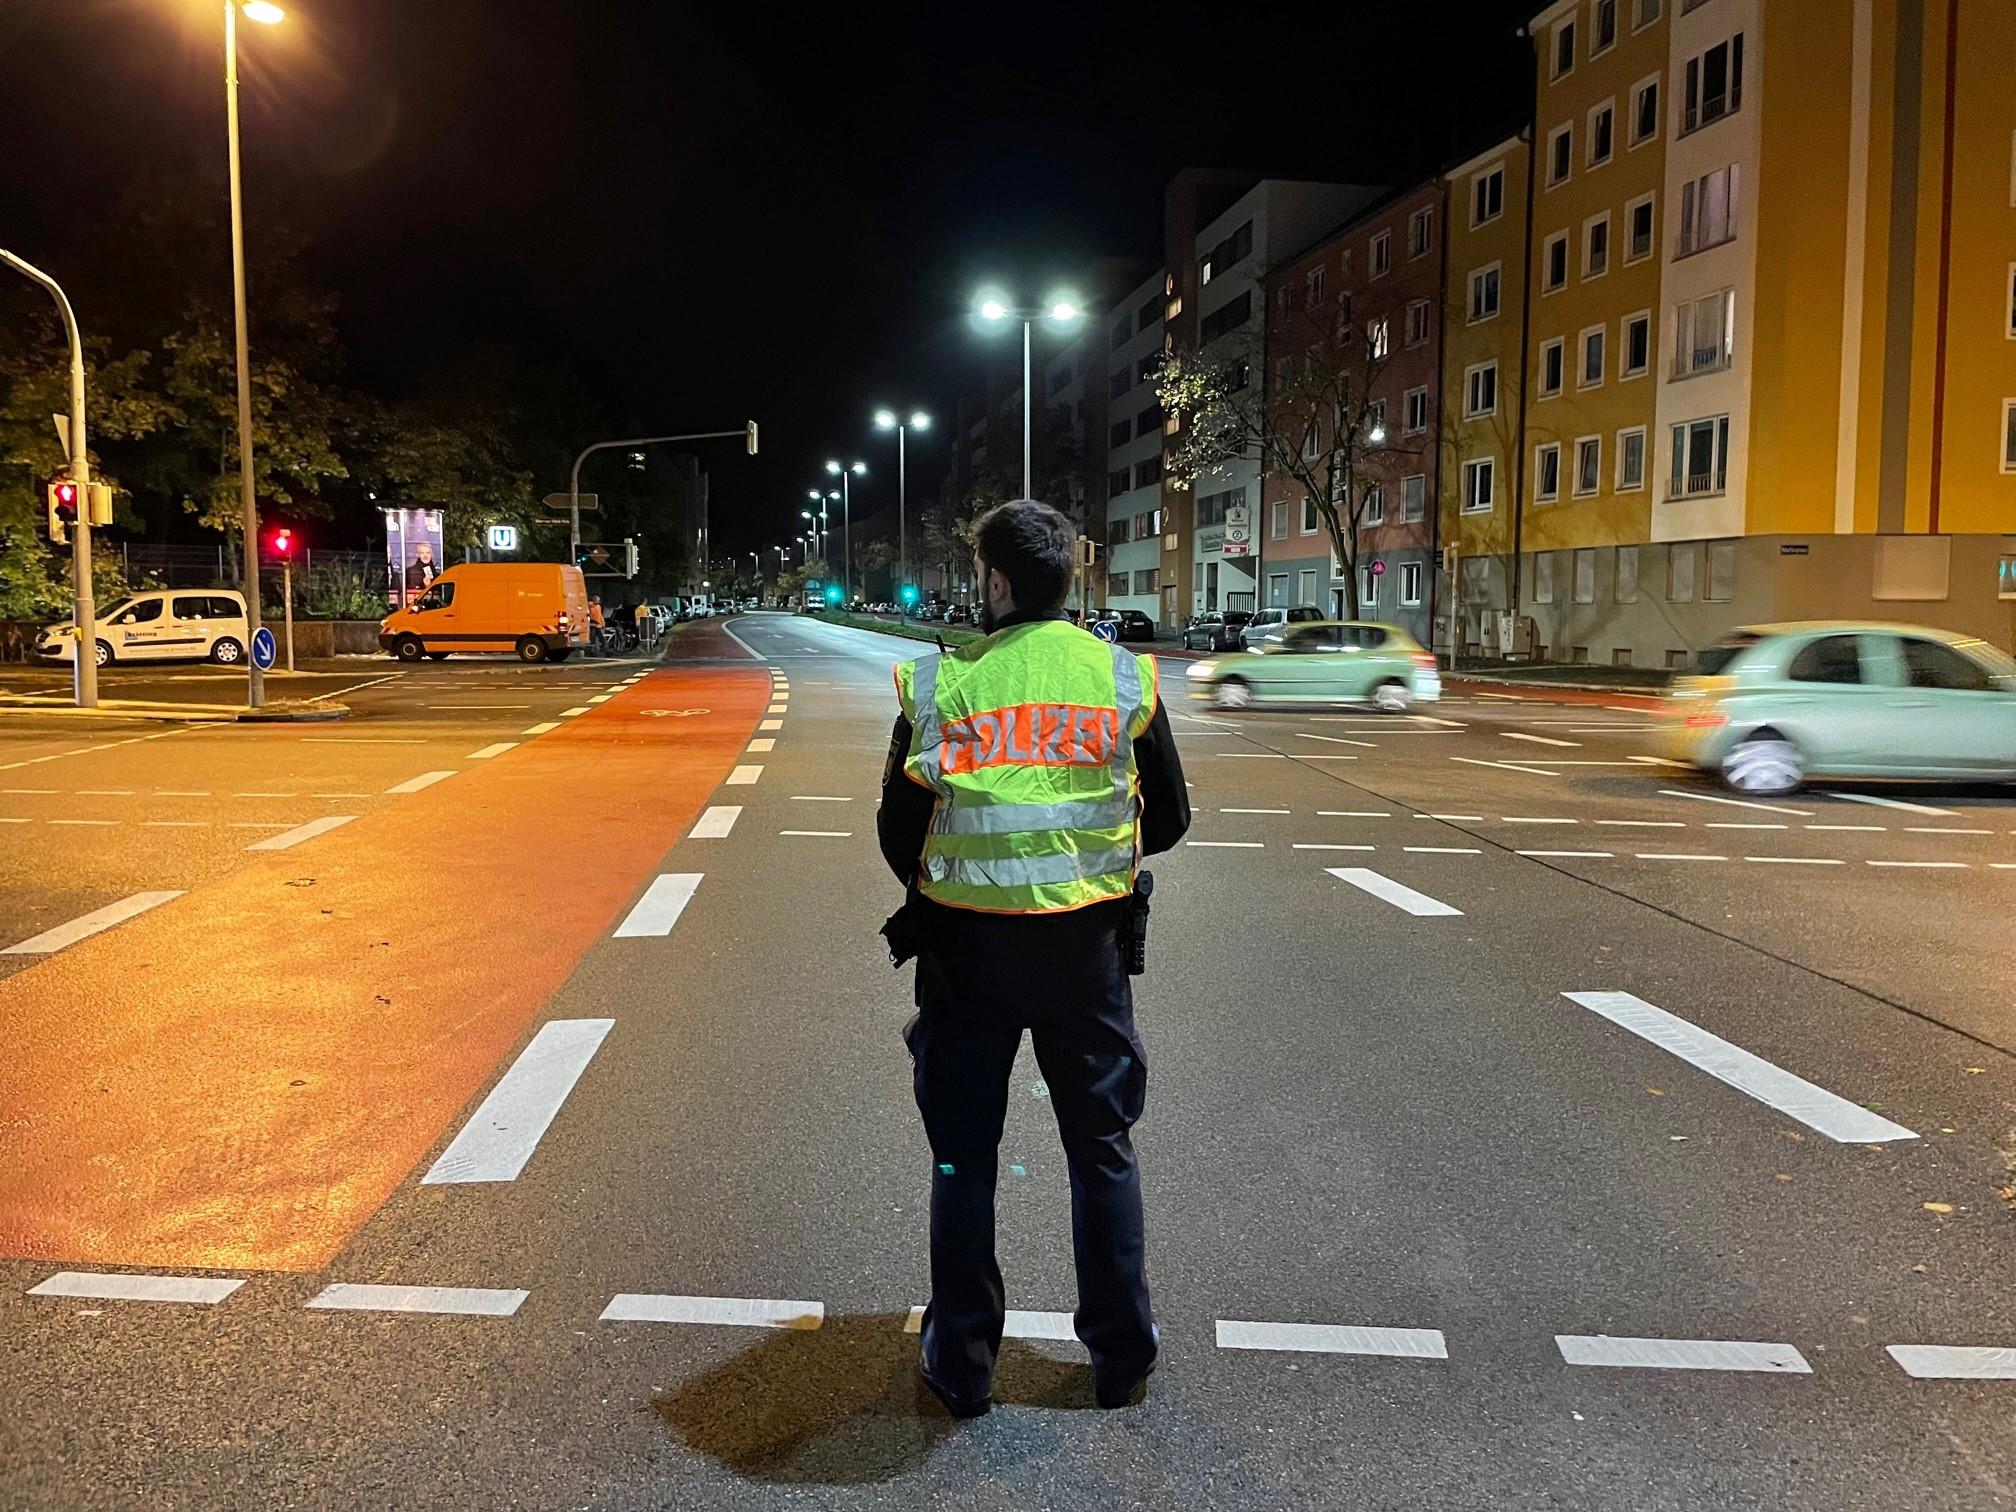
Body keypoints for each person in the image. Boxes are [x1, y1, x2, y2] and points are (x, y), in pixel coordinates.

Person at [878, 497, 1190, 1419]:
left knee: (963, 1160)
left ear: (998, 580)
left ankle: (964, 1367)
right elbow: (1168, 820)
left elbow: (900, 836)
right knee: (1101, 1149)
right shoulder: (1121, 680)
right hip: (1085, 957)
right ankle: (1121, 1358)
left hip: (968, 958)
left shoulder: (946, 685)